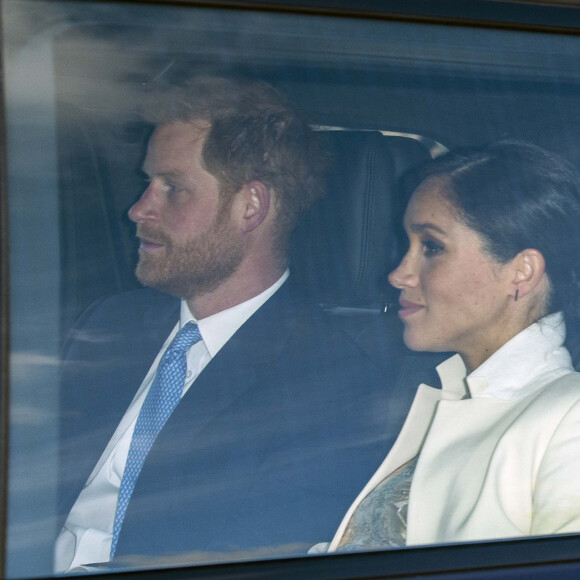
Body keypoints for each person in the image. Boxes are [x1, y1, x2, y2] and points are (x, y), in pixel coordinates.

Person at [55, 76, 403, 571]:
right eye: (146, 183)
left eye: (173, 188)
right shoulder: (112, 323)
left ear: (251, 206)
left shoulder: (332, 384)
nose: (137, 209)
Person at [317, 140, 580, 552]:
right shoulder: (442, 393)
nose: (399, 274)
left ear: (521, 272)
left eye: (432, 247)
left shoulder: (570, 418)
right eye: (407, 246)